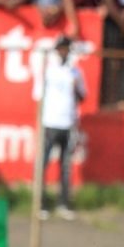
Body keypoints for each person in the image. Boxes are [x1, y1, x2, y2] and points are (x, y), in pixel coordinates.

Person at [36, 36, 85, 221]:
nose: (64, 52)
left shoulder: (75, 72)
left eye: (67, 49)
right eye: (61, 49)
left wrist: (75, 88)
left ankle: (63, 203)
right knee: (44, 163)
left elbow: (82, 95)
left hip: (68, 123)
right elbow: (39, 96)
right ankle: (40, 203)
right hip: (50, 123)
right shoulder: (49, 71)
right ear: (57, 51)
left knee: (65, 166)